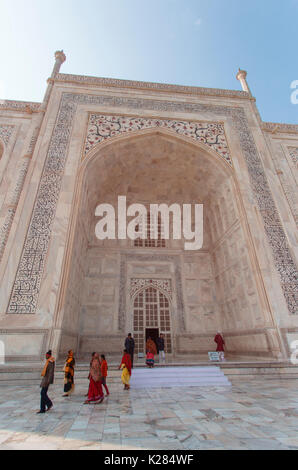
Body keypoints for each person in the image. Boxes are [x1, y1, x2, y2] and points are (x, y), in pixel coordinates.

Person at [37, 350, 55, 414]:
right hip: (45, 378)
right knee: (43, 393)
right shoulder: (48, 361)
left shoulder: (51, 361)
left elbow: (51, 371)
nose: (46, 356)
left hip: (47, 379)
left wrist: (49, 380)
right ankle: (43, 408)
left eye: (47, 355)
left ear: (49, 355)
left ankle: (48, 404)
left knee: (43, 393)